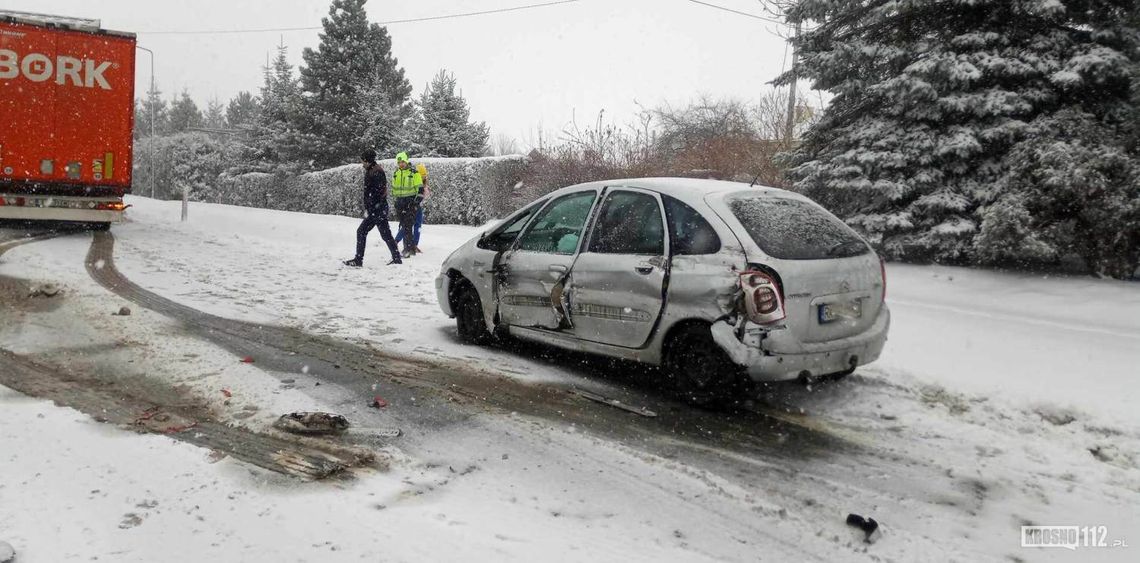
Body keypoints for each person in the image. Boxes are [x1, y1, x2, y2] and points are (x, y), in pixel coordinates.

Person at [343, 149, 401, 267]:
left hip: (377, 210)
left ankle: (358, 260)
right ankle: (396, 258)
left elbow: (378, 192)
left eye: (363, 161)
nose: (362, 163)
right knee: (385, 234)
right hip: (378, 209)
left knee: (361, 231)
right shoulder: (372, 170)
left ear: (367, 161)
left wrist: (371, 208)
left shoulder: (376, 172)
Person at [390, 152, 424, 258]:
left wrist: (415, 203)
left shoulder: (414, 173)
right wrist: (396, 201)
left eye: (403, 162)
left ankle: (408, 249)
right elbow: (394, 189)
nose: (401, 164)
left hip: (411, 203)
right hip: (400, 203)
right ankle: (409, 248)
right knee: (404, 226)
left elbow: (420, 190)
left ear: (407, 161)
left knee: (408, 226)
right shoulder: (396, 173)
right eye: (399, 162)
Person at [394, 161, 429, 254]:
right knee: (411, 225)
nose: (424, 177)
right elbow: (422, 194)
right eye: (423, 175)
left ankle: (401, 242)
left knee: (409, 225)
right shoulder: (416, 180)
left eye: (425, 175)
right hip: (414, 206)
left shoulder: (417, 179)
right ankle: (411, 244)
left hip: (415, 206)